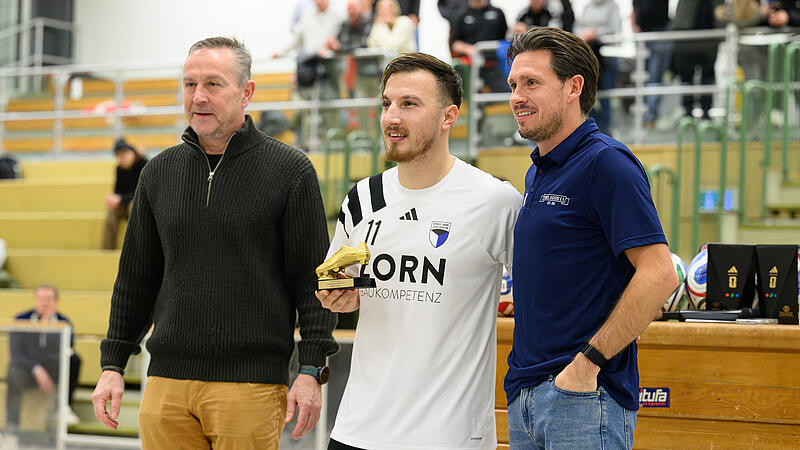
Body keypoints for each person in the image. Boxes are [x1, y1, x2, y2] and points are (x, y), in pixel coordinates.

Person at [90, 37, 338, 450]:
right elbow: (135, 281)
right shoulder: (157, 173)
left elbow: (312, 282)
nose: (198, 97)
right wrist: (113, 364)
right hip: (166, 381)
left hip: (251, 384)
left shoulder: (291, 172)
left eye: (213, 84)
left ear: (247, 92)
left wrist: (311, 369)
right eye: (189, 84)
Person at [316, 52, 522, 449]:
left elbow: (540, 297)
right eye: (387, 104)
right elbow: (341, 289)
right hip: (358, 430)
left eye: (409, 104)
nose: (392, 117)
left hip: (448, 436)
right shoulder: (362, 198)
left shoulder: (496, 201)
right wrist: (339, 297)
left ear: (449, 116)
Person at [504, 28, 679, 448]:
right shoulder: (538, 171)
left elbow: (659, 275)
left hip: (582, 399)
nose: (516, 96)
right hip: (526, 395)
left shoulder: (607, 163)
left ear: (573, 87)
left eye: (531, 82)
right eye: (513, 84)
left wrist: (587, 364)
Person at [5, 284, 82, 440]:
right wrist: (36, 369)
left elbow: (67, 349)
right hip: (28, 370)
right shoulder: (21, 319)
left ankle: (63, 409)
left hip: (53, 370)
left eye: (48, 299)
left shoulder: (64, 322)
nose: (44, 303)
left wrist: (49, 325)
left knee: (74, 360)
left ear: (56, 302)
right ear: (35, 300)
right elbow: (16, 352)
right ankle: (11, 426)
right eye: (40, 298)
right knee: (14, 370)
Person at [574, 0, 621, 135]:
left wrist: (595, 34)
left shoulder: (613, 6)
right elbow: (578, 28)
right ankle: (594, 131)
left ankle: (606, 131)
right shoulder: (586, 7)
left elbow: (613, 28)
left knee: (605, 97)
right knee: (586, 96)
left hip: (607, 59)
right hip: (588, 58)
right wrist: (585, 35)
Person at [672, 0, 724, 120]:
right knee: (688, 79)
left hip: (708, 42)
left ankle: (704, 111)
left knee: (707, 78)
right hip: (687, 42)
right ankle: (689, 111)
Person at [451, 0, 510, 93]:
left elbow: (506, 39)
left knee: (505, 95)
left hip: (494, 66)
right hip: (470, 67)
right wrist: (469, 49)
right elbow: (454, 44)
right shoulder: (461, 15)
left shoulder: (497, 13)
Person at [632, 0, 672, 129]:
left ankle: (650, 116)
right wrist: (633, 26)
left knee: (655, 77)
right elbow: (634, 8)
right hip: (642, 34)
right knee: (642, 77)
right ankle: (645, 115)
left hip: (659, 32)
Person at [100, 138, 147, 250]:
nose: (121, 158)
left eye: (124, 153)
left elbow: (143, 192)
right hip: (125, 203)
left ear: (131, 152)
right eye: (119, 155)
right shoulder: (120, 169)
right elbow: (117, 191)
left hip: (142, 205)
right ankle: (106, 250)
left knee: (134, 206)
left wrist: (120, 198)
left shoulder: (144, 165)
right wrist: (114, 199)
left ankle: (138, 250)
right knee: (111, 212)